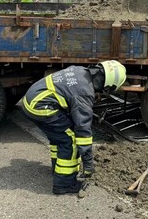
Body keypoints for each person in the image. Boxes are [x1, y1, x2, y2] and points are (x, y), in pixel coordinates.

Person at [22, 60, 127, 195]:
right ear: (109, 85)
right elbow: (82, 130)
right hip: (40, 107)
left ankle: (58, 170)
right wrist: (88, 163)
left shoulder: (80, 70)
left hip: (32, 100)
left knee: (59, 137)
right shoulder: (85, 92)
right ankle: (64, 184)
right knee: (70, 140)